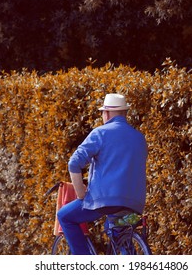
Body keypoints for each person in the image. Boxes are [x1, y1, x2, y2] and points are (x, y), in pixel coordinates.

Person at [57, 93, 148, 254]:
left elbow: (74, 163)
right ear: (124, 113)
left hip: (104, 201)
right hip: (135, 204)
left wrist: (80, 194)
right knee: (120, 234)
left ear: (106, 113)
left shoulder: (100, 133)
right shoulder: (139, 138)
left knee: (65, 216)